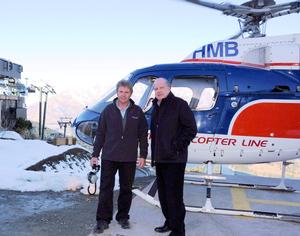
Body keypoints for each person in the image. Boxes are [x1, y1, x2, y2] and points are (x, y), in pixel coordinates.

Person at [90, 80, 148, 234]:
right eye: (121, 92)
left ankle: (123, 217)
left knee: (126, 189)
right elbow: (100, 134)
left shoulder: (137, 112)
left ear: (130, 94)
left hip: (129, 158)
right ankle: (102, 220)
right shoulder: (108, 111)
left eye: (126, 92)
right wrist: (95, 154)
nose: (123, 95)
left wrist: (143, 155)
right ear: (117, 92)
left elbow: (143, 135)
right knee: (106, 189)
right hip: (109, 156)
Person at [151, 77, 197, 236]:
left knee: (174, 197)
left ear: (168, 88)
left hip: (175, 160)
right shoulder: (156, 106)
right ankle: (169, 222)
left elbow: (191, 129)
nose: (158, 91)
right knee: (163, 196)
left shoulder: (179, 105)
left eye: (161, 88)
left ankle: (178, 230)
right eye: (156, 88)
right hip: (161, 159)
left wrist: (177, 146)